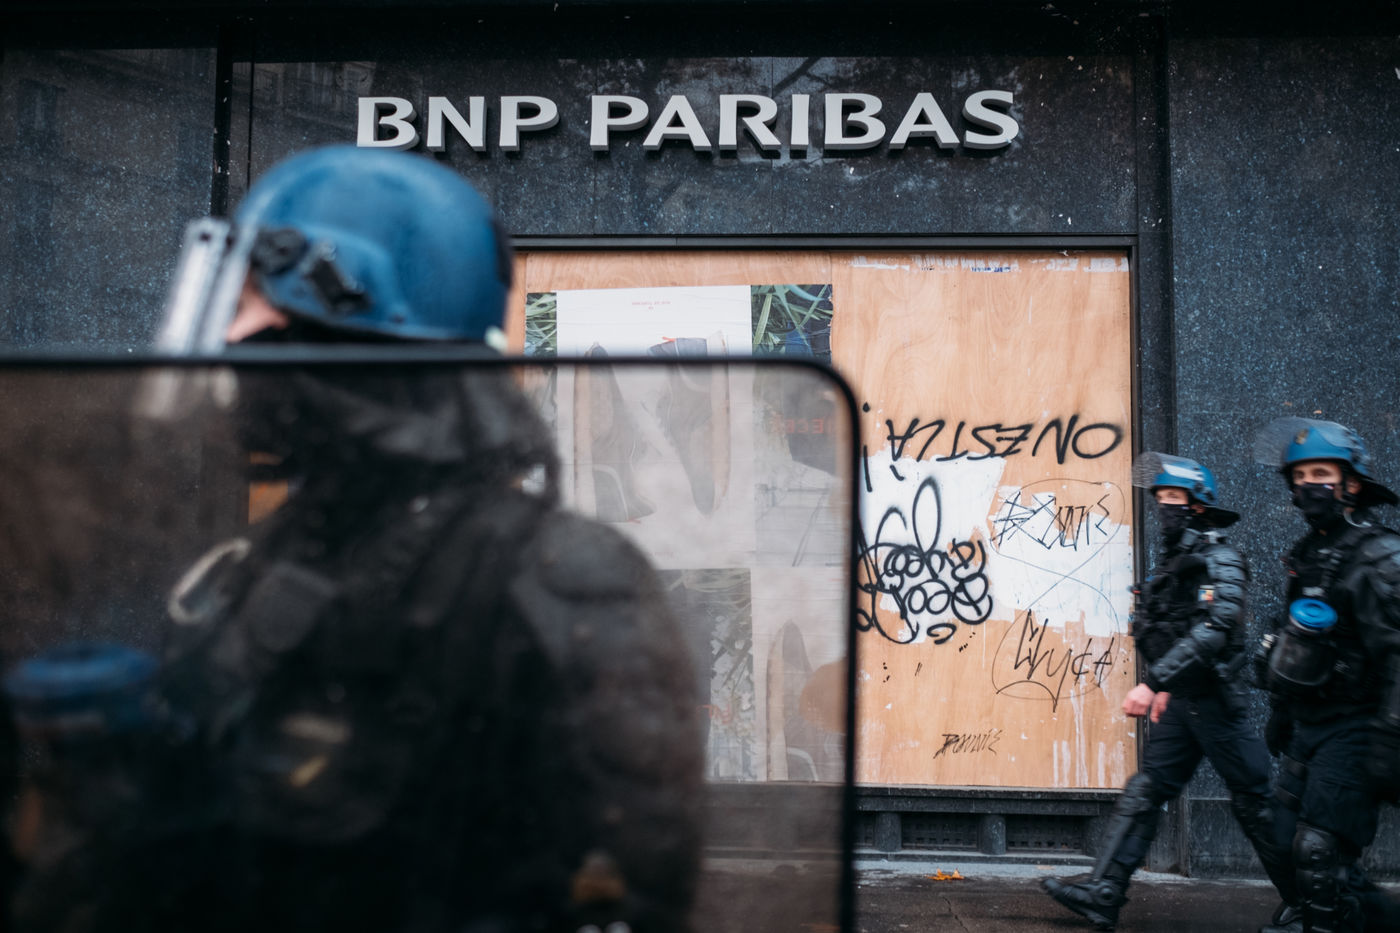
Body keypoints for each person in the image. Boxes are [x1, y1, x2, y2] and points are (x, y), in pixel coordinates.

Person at [6, 145, 704, 933]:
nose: (226, 341)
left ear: (335, 313)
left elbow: (635, 894)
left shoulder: (562, 576)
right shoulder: (264, 558)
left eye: (244, 304)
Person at [1042, 453, 1293, 932]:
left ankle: (1306, 901)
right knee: (1147, 790)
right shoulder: (1174, 562)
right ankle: (1104, 890)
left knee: (1255, 806)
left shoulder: (1222, 559)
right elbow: (1169, 630)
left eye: (1174, 497)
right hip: (1183, 702)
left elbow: (1214, 630)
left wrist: (1154, 682)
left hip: (1217, 704)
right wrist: (1167, 687)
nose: (1164, 506)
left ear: (1198, 504)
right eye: (1160, 498)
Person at [1252, 418, 1400, 933]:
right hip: (1309, 723)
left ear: (1351, 483)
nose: (1309, 484)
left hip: (1358, 727)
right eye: (1301, 476)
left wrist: (1390, 738)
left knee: (1318, 851)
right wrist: (1280, 710)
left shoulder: (1378, 555)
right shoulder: (1309, 552)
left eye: (1321, 473)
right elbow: (1294, 640)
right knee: (1279, 834)